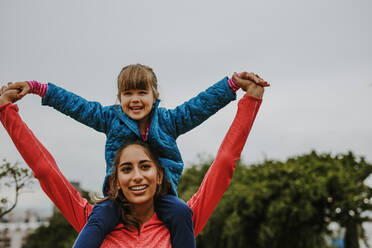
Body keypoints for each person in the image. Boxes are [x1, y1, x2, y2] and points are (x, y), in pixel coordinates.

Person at [5, 65, 269, 247]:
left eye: (145, 166)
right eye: (127, 169)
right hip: (112, 204)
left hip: (167, 197)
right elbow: (46, 168)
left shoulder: (179, 219)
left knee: (180, 212)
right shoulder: (96, 220)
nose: (137, 176)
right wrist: (35, 91)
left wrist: (234, 86)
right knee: (101, 213)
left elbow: (221, 157)